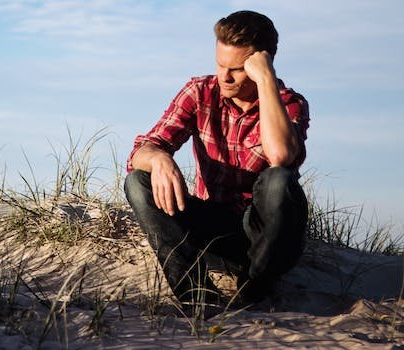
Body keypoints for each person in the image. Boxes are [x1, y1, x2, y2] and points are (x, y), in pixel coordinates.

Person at [124, 10, 310, 305]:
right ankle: (198, 299)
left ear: (262, 63)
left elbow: (281, 156)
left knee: (279, 180)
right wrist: (159, 159)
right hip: (214, 230)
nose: (225, 76)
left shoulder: (289, 103)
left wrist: (265, 82)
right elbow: (142, 149)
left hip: (268, 237)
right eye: (220, 64)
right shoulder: (200, 92)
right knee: (137, 181)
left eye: (237, 69)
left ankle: (255, 292)